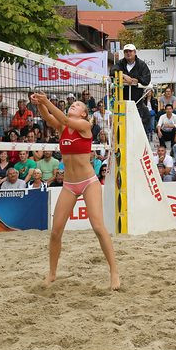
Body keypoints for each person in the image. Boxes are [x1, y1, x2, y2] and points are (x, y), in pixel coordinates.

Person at [32, 92, 119, 290]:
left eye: (77, 105)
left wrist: (47, 101)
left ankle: (114, 271)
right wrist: (38, 104)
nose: (74, 105)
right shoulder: (63, 127)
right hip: (69, 185)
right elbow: (47, 117)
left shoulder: (85, 126)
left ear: (83, 114)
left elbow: (61, 117)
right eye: (73, 104)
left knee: (98, 226)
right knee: (55, 231)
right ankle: (52, 274)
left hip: (89, 182)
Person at [114, 44, 151, 129]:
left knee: (137, 124)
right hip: (122, 100)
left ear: (135, 52)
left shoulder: (142, 65)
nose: (128, 53)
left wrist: (137, 80)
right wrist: (123, 75)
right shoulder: (120, 63)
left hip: (137, 101)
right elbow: (112, 71)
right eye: (126, 51)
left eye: (130, 51)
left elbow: (147, 79)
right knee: (122, 125)